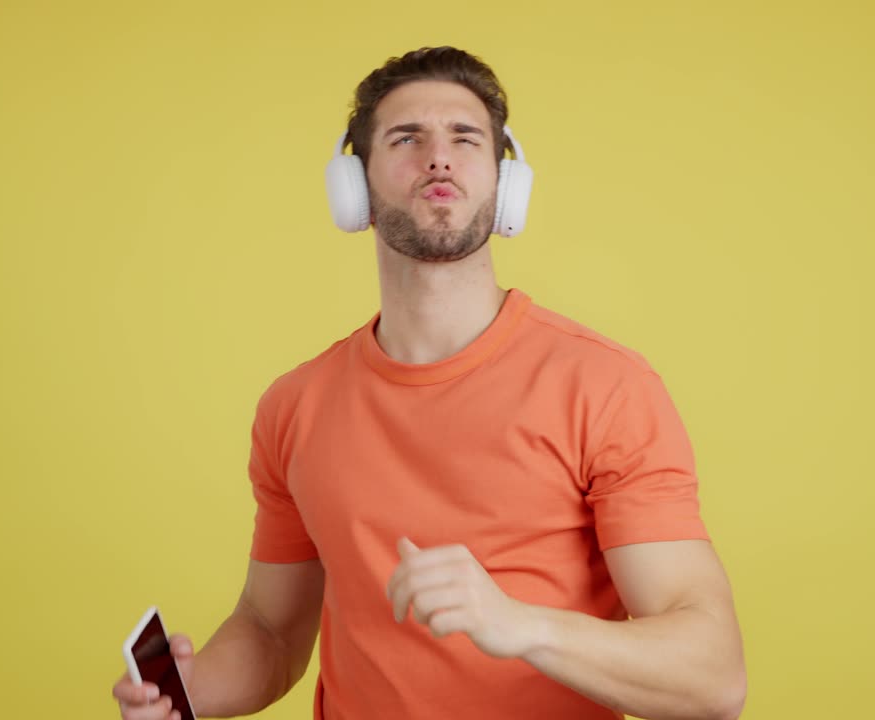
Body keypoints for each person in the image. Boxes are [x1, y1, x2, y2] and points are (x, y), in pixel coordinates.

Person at [112, 46, 746, 720]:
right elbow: (272, 632)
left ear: (507, 183)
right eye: (407, 138)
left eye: (465, 138)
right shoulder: (293, 407)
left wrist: (522, 625)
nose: (438, 157)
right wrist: (191, 691)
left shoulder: (606, 388)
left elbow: (712, 680)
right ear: (352, 184)